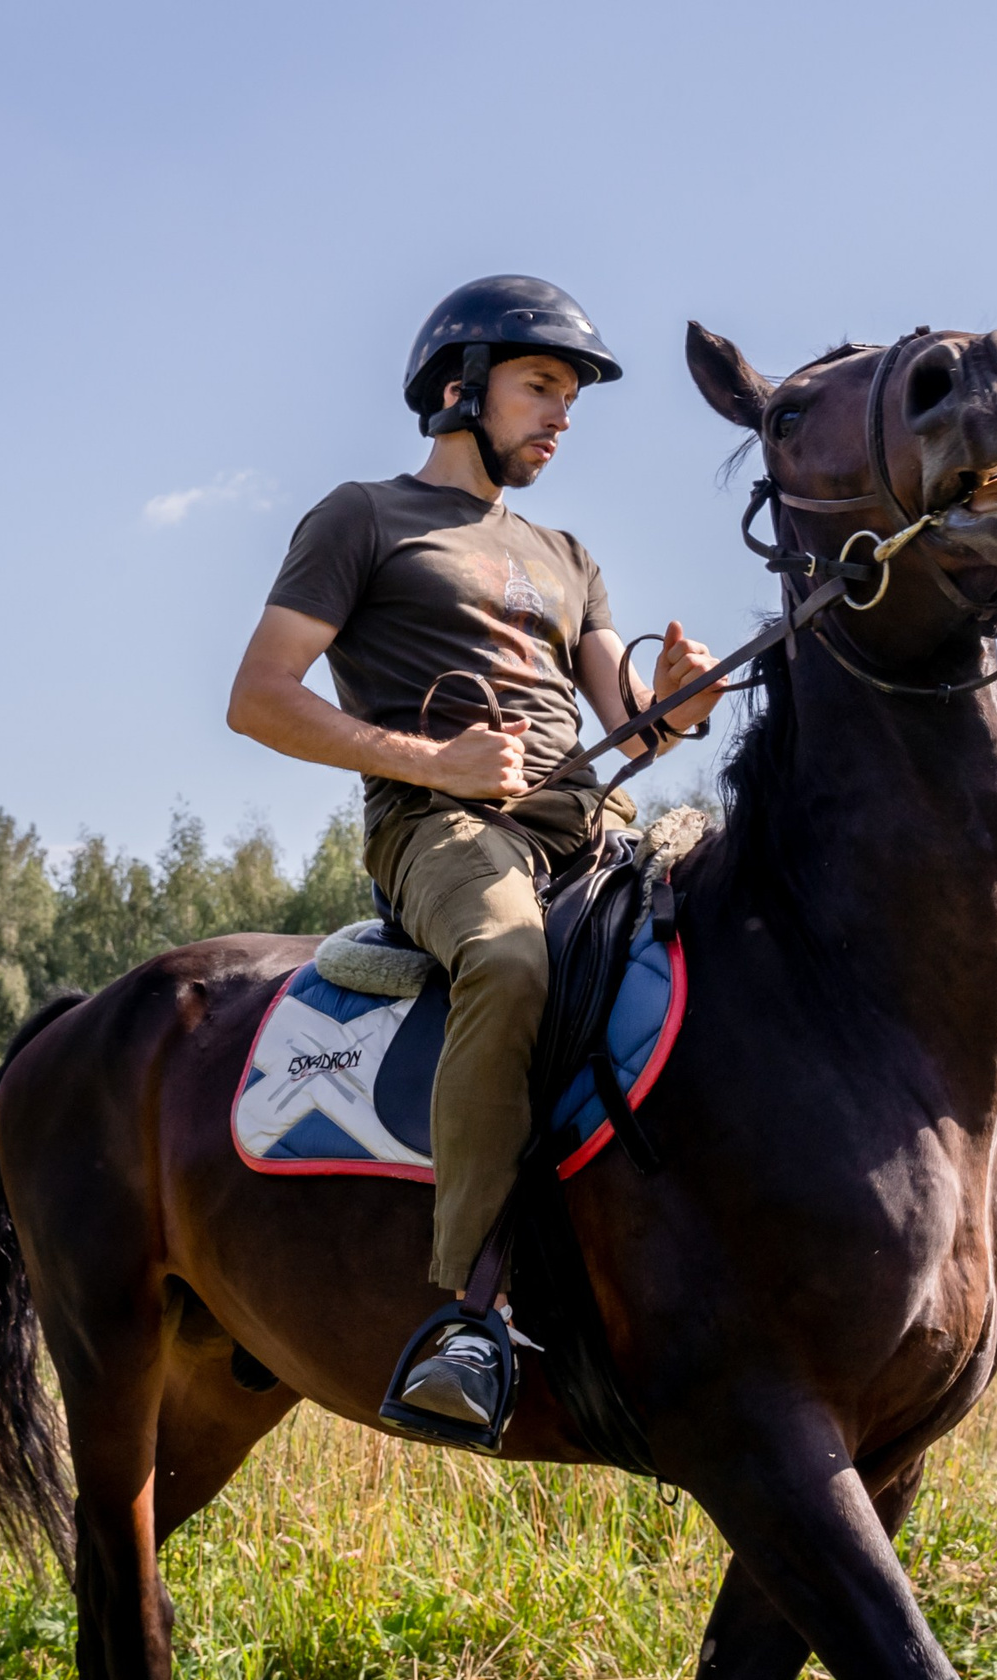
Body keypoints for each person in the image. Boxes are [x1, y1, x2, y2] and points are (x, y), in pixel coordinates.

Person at [226, 276, 726, 1429]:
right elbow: (257, 697)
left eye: (570, 398)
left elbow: (625, 728)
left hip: (583, 821)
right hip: (440, 829)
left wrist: (674, 706)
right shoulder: (361, 517)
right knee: (506, 963)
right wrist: (430, 763)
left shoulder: (568, 552)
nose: (560, 415)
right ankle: (465, 1313)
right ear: (459, 389)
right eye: (540, 387)